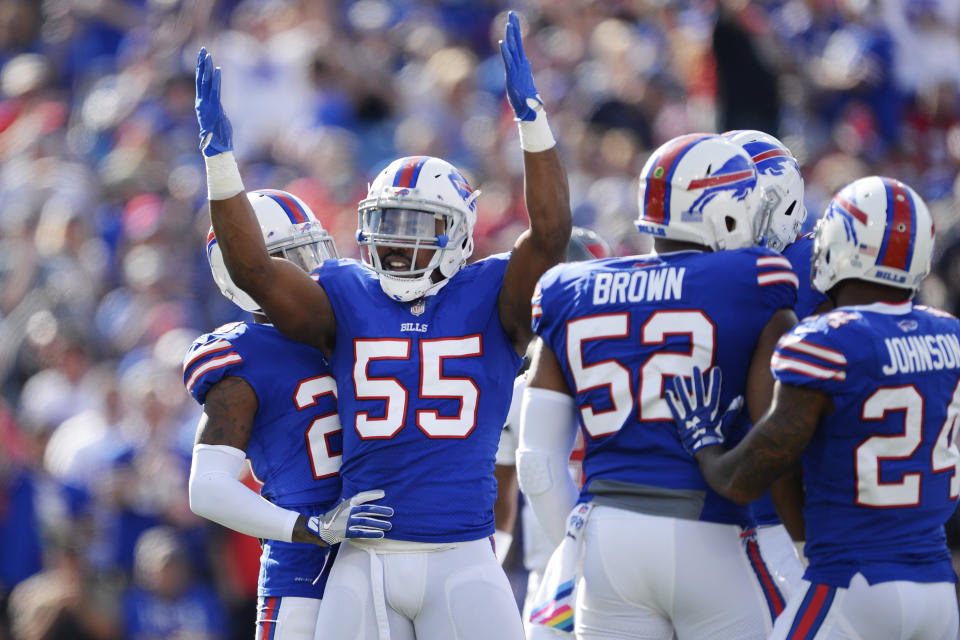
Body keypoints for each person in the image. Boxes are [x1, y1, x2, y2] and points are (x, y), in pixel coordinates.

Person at [193, 9, 572, 639]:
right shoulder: (345, 293)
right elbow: (255, 271)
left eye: (418, 226)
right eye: (388, 224)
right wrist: (221, 163)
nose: (398, 244)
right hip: (363, 558)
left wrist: (532, 124)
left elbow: (552, 234)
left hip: (462, 553)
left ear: (458, 234)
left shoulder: (495, 295)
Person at [518, 133, 799, 638]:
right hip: (711, 535)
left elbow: (537, 466)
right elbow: (777, 442)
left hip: (607, 543)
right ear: (725, 212)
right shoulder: (752, 280)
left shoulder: (569, 288)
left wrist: (575, 545)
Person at [667, 175, 959, 639]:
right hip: (938, 587)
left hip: (853, 584)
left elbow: (745, 478)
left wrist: (704, 441)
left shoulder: (824, 342)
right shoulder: (950, 336)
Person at [184, 189, 394, 640]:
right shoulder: (243, 355)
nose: (312, 271)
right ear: (242, 274)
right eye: (288, 259)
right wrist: (308, 528)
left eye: (311, 251)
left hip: (391, 549)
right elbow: (206, 488)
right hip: (305, 570)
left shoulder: (357, 326)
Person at [723, 128, 828, 598]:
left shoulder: (814, 266)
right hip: (731, 515)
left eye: (738, 203)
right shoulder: (717, 273)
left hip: (786, 519)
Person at [491, 227, 611, 621]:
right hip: (615, 564)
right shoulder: (639, 373)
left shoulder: (520, 390)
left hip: (561, 576)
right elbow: (501, 496)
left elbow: (503, 497)